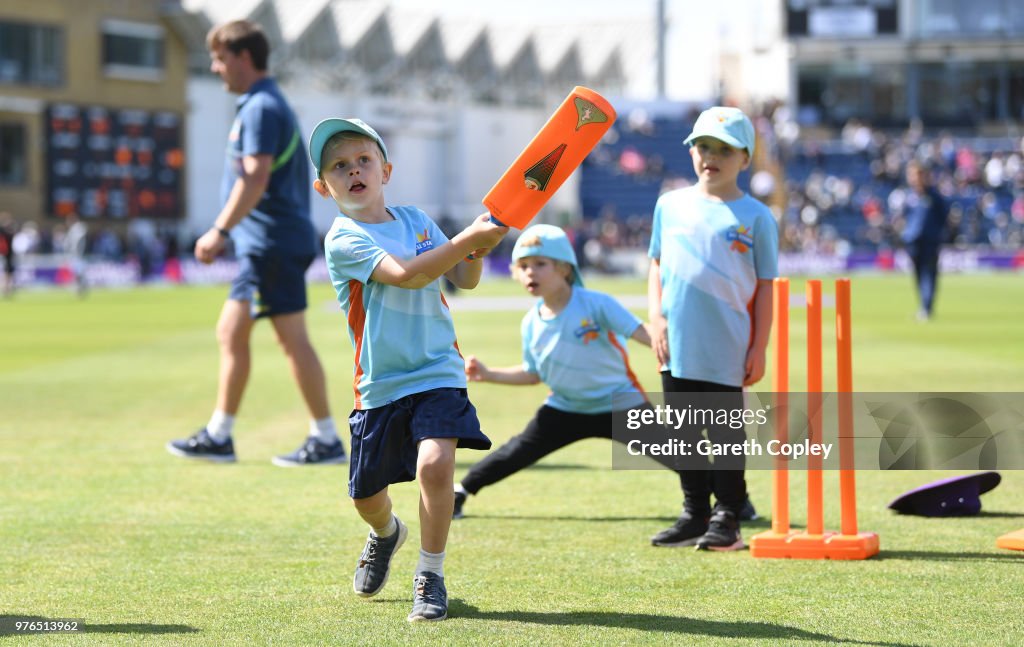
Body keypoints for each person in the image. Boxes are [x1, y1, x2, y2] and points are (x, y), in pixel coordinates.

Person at [308, 116, 507, 622]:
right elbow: (408, 275)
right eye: (339, 166)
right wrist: (467, 238)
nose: (353, 170)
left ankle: (431, 574)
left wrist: (481, 247)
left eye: (363, 160)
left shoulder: (417, 219)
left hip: (438, 369)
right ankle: (385, 534)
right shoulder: (342, 238)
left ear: (385, 170)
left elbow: (464, 276)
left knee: (436, 466)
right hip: (379, 384)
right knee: (367, 498)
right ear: (323, 185)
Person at [166, 20, 345, 467]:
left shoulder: (262, 108)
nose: (214, 68)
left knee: (285, 337)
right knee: (240, 332)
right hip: (270, 242)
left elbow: (255, 177)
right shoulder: (260, 104)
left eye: (220, 58)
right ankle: (224, 433)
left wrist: (219, 230)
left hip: (270, 243)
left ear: (244, 57)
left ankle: (319, 438)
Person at [453, 224, 657, 518]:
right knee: (515, 452)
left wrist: (677, 354)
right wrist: (488, 374)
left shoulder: (596, 304)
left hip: (619, 403)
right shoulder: (530, 323)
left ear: (564, 269)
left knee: (679, 453)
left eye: (540, 264)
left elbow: (645, 335)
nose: (530, 273)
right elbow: (533, 374)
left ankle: (732, 501)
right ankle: (461, 491)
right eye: (522, 266)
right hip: (565, 408)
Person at [647, 106, 778, 551]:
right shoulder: (670, 204)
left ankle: (727, 518)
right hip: (676, 342)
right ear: (691, 151)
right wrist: (656, 317)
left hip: (729, 343)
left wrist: (760, 347)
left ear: (745, 158)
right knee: (682, 431)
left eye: (725, 149)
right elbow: (656, 265)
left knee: (724, 433)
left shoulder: (757, 216)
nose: (711, 156)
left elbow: (764, 288)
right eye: (703, 146)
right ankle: (693, 513)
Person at [900, 160, 949, 322]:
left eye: (918, 174)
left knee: (929, 273)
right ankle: (923, 306)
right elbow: (904, 217)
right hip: (912, 241)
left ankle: (927, 308)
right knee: (918, 274)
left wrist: (937, 233)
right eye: (912, 175)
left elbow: (944, 216)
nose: (914, 178)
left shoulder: (934, 196)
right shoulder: (909, 196)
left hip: (930, 240)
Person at [63, 213, 89, 297]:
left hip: (78, 255)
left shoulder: (77, 228)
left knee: (78, 273)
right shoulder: (74, 229)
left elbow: (79, 240)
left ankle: (81, 288)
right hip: (75, 255)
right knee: (76, 273)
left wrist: (78, 252)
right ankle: (79, 288)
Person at [0, 212, 15, 298]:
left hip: (7, 254)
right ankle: (6, 289)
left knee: (8, 272)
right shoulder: (6, 231)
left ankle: (7, 289)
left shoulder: (9, 230)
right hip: (5, 253)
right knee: (6, 272)